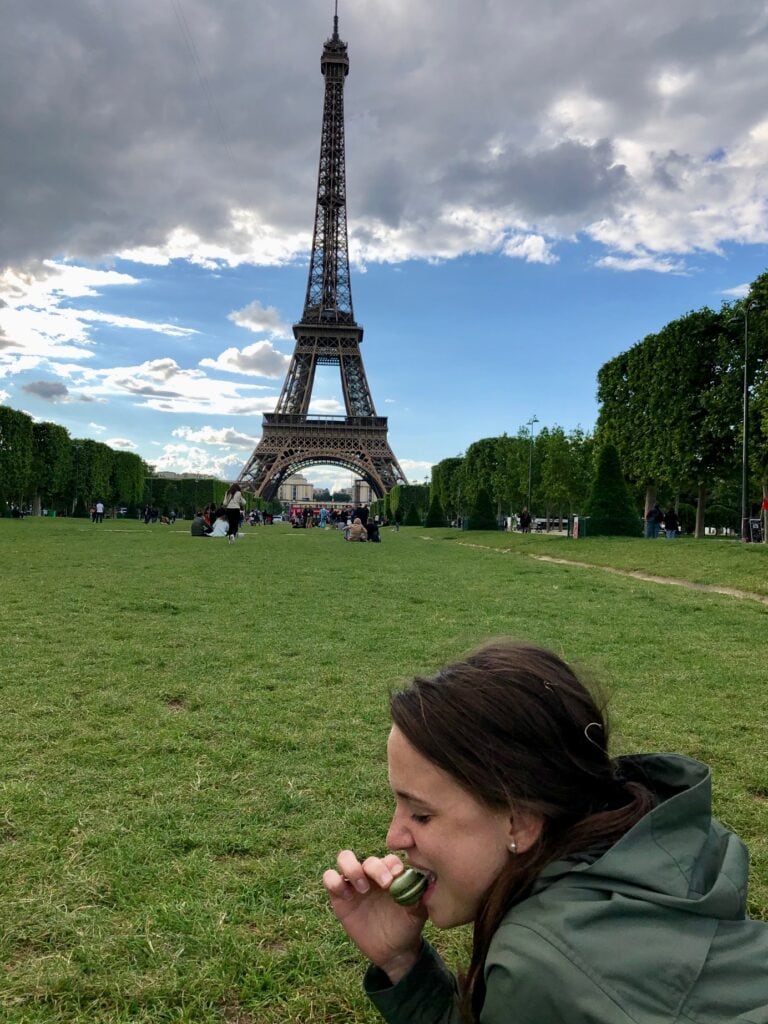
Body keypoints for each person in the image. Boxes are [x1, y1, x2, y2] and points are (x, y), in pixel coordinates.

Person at [323, 641, 768, 1024]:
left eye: (421, 815)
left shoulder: (543, 963)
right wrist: (403, 963)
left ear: (519, 820)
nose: (393, 838)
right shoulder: (659, 847)